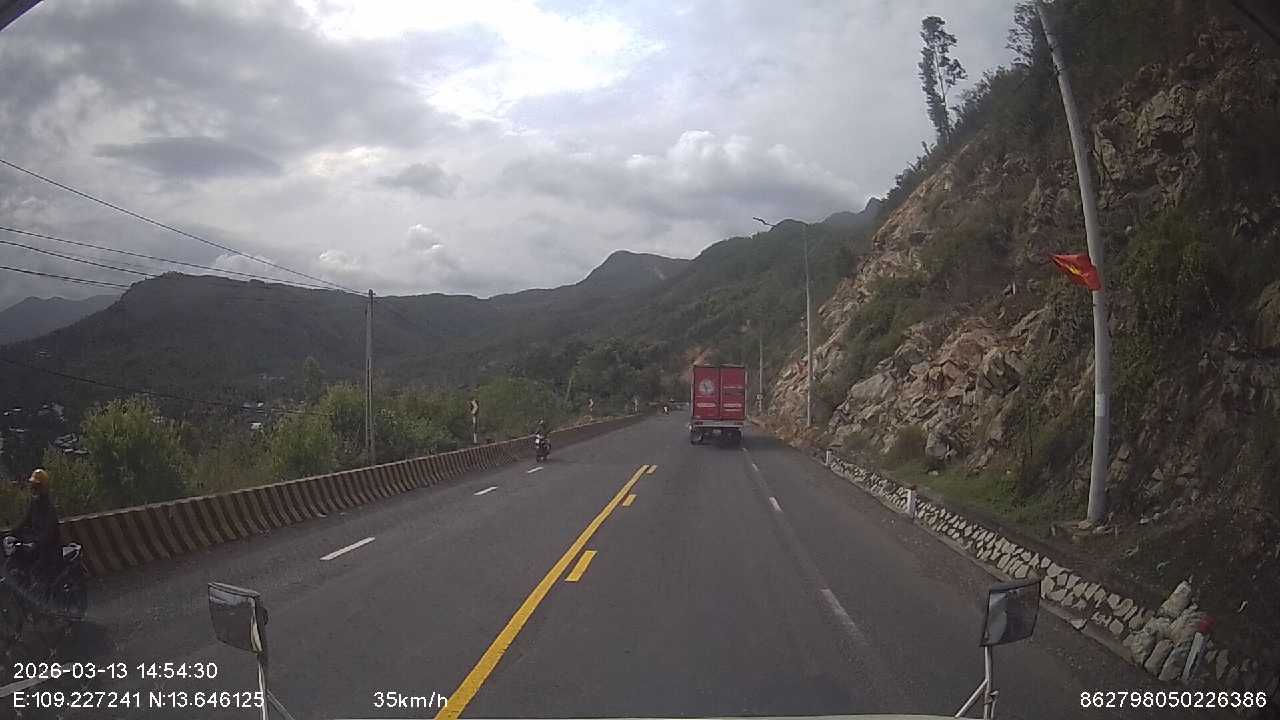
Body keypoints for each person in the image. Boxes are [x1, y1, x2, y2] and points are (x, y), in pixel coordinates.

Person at [7, 468, 61, 587]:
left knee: (36, 571)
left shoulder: (49, 507)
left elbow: (48, 532)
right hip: (35, 545)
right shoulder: (34, 503)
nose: (33, 488)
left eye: (36, 486)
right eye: (32, 485)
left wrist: (35, 543)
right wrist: (11, 534)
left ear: (43, 487)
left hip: (49, 549)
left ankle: (43, 592)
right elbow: (24, 521)